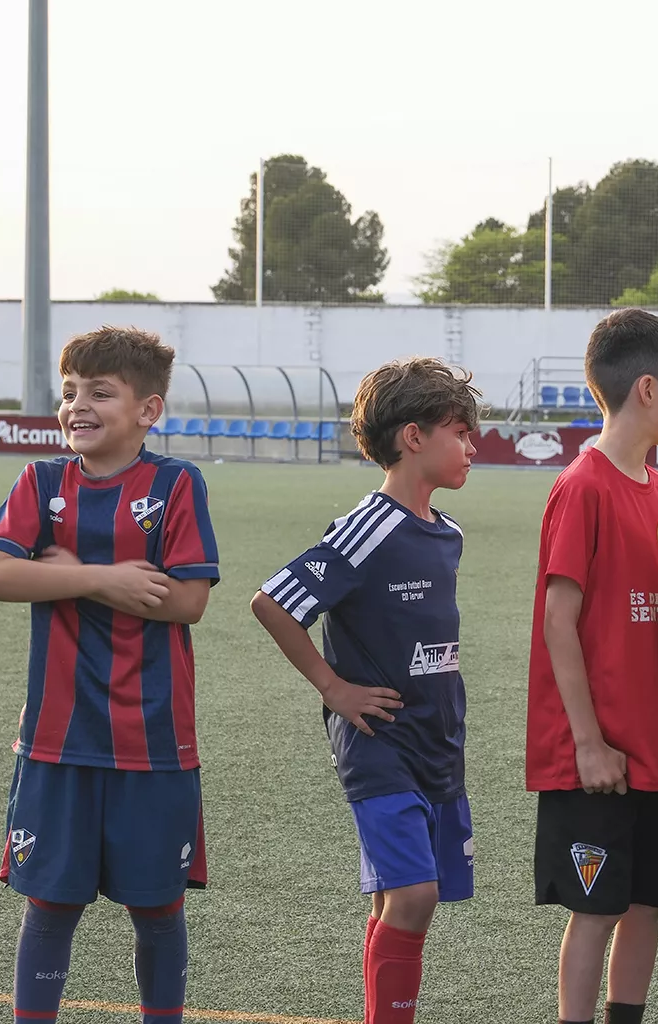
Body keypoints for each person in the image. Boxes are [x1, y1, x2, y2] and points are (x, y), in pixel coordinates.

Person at [0, 326, 218, 1024]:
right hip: (58, 739)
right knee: (50, 903)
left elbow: (188, 600)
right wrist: (104, 578)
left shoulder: (176, 485)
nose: (77, 406)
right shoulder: (41, 480)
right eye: (69, 392)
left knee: (157, 907)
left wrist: (61, 576)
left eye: (99, 393)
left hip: (154, 740)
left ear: (148, 410)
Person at [250, 357, 480, 1024]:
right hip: (378, 744)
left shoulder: (447, 533)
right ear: (414, 438)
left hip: (437, 740)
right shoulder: (368, 525)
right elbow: (273, 603)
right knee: (414, 896)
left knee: (400, 901)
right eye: (460, 433)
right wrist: (334, 687)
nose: (470, 448)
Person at [526, 310, 658, 1024]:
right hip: (599, 757)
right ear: (647, 391)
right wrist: (590, 743)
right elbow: (557, 621)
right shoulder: (583, 485)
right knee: (595, 911)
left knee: (646, 903)